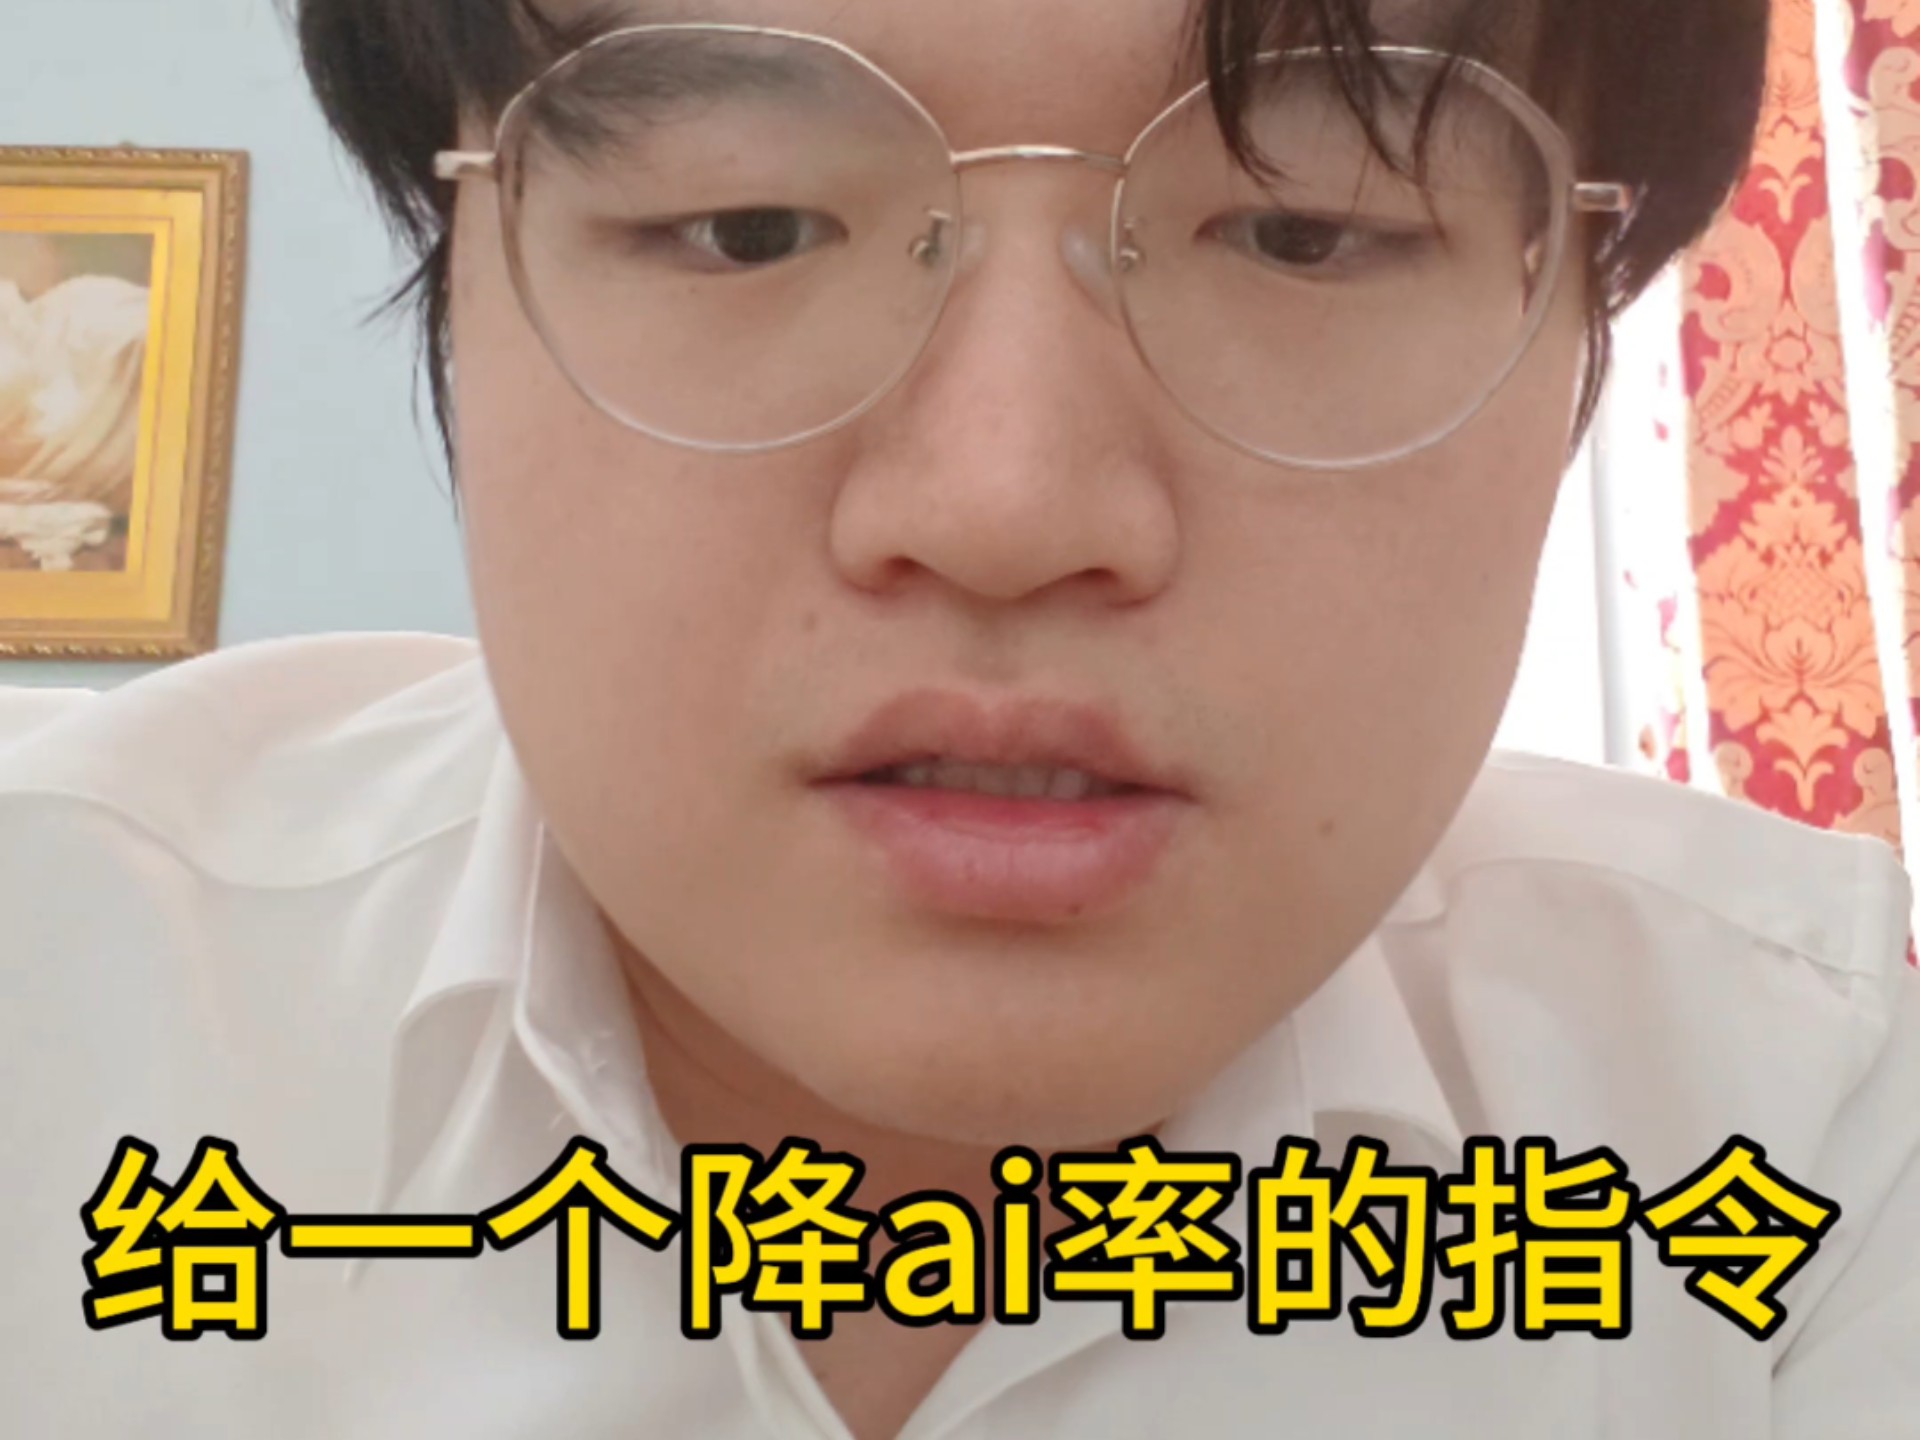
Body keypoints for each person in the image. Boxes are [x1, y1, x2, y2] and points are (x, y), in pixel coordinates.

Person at [3, 0, 1915, 1436]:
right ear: (457, 281)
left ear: (1586, 319)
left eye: (1303, 235)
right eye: (750, 224)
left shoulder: (1801, 1139)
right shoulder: (59, 1009)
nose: (1010, 506)